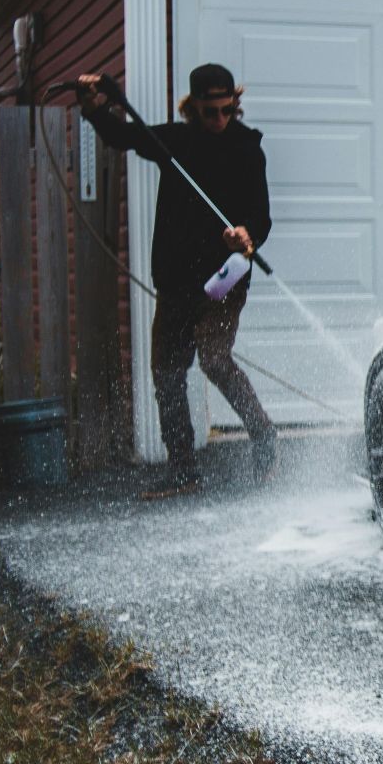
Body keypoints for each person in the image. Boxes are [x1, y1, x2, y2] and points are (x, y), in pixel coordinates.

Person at [77, 64, 277, 497]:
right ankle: (183, 469)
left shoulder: (247, 149)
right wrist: (94, 110)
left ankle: (264, 436)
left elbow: (260, 217)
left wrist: (247, 235)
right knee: (167, 372)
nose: (220, 119)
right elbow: (122, 136)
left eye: (227, 110)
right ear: (193, 107)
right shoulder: (176, 142)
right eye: (210, 111)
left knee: (215, 359)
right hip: (175, 279)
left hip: (224, 278)